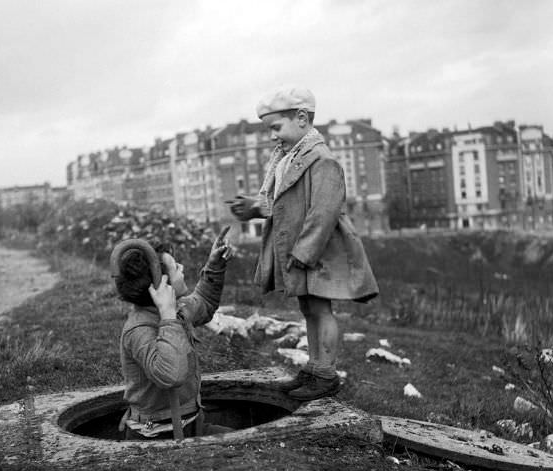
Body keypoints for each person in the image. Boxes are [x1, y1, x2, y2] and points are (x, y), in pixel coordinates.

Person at [229, 86, 379, 401]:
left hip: (318, 251)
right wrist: (256, 208)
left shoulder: (322, 160)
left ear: (300, 118)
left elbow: (323, 213)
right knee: (308, 307)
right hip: (302, 251)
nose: (272, 136)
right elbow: (283, 205)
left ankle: (326, 374)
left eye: (275, 127)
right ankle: (313, 368)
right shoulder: (287, 158)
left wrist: (304, 253)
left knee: (321, 309)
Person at [110, 228, 233, 439]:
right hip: (158, 434)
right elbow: (170, 375)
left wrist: (214, 264)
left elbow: (204, 302)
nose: (182, 268)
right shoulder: (139, 329)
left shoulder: (177, 310)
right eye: (176, 266)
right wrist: (167, 317)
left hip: (190, 423)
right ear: (161, 284)